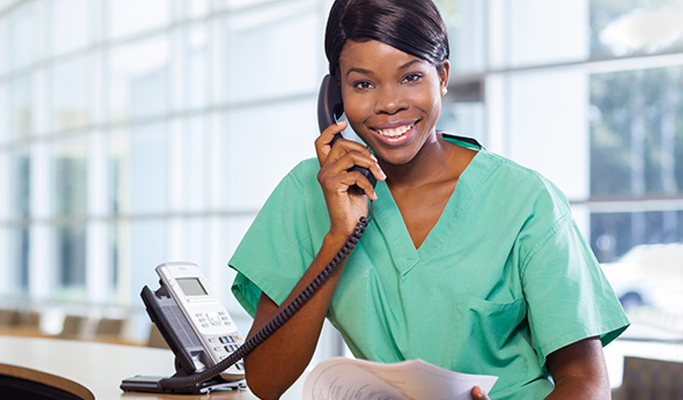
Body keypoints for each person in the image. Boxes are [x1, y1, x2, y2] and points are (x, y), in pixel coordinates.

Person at [228, 0, 630, 399]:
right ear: (336, 94)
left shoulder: (525, 200)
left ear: (442, 77)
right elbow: (266, 381)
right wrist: (338, 238)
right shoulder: (308, 191)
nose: (389, 103)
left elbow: (586, 383)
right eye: (363, 84)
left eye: (410, 78)